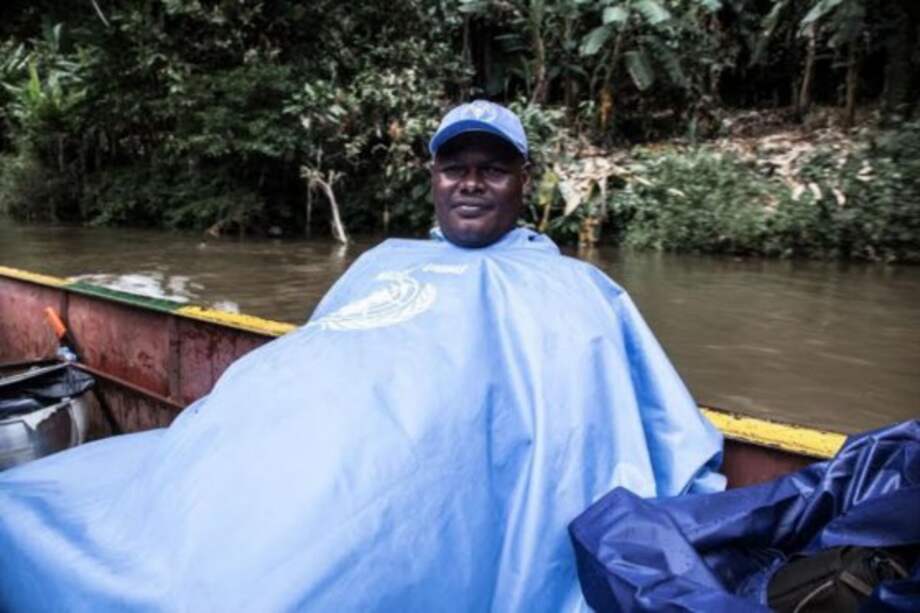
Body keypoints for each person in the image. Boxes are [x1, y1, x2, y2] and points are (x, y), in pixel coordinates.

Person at [0, 101, 723, 612]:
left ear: (523, 182)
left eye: (492, 169)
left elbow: (615, 424)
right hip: (292, 438)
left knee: (254, 587)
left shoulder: (573, 289)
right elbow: (323, 351)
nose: (471, 182)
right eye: (455, 167)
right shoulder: (385, 261)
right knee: (41, 508)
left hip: (410, 477)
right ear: (432, 178)